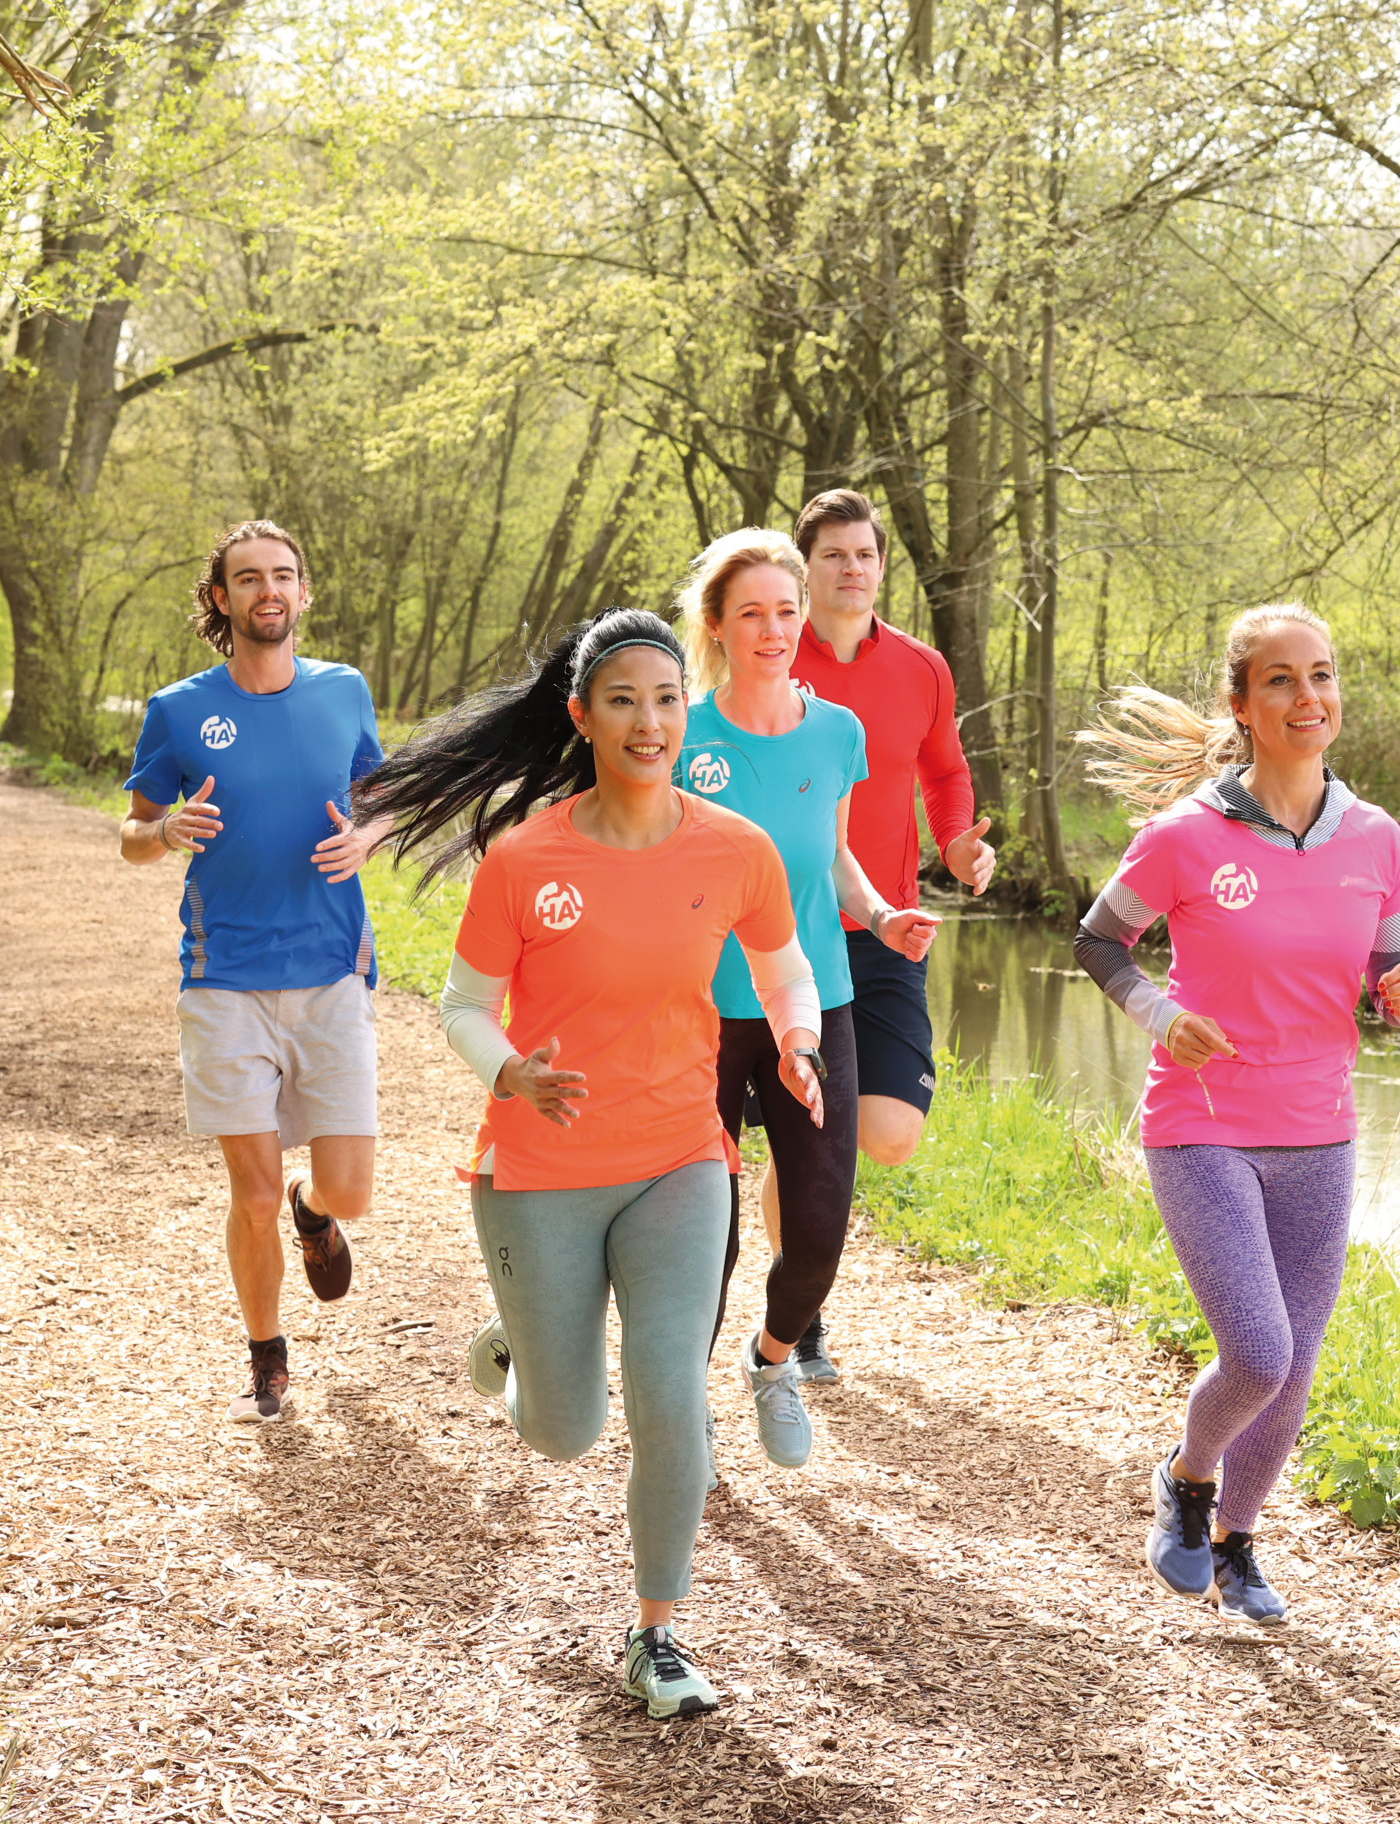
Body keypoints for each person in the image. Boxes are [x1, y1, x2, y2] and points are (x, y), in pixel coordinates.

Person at [355, 609, 826, 1720]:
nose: (648, 720)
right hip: (540, 1170)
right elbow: (462, 1004)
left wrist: (797, 1035)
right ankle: (519, 1343)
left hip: (677, 1159)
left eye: (665, 699)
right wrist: (510, 1070)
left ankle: (657, 1633)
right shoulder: (527, 859)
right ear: (581, 716)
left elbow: (784, 961)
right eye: (622, 699)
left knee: (671, 1395)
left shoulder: (734, 847)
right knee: (563, 1429)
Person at [1073, 604, 1400, 1624]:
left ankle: (1236, 1544)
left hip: (1318, 1131)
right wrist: (1160, 1014)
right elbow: (1099, 943)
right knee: (1259, 1352)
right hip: (1203, 1122)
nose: (1306, 697)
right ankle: (1186, 1481)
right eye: (1279, 680)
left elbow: (1390, 966)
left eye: (1319, 676)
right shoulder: (1185, 837)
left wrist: (1398, 992)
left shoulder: (1375, 838)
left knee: (1294, 1373)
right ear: (1240, 703)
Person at [675, 528, 939, 1468]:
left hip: (814, 998)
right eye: (752, 612)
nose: (774, 628)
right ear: (717, 625)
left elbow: (832, 856)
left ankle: (772, 1359)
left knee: (821, 1230)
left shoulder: (838, 732)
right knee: (702, 1229)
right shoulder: (681, 733)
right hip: (701, 1010)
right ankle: (683, 1401)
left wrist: (880, 914)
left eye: (786, 611)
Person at [117, 521, 386, 1424]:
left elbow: (382, 796)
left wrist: (368, 835)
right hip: (223, 973)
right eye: (248, 578)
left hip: (331, 967)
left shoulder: (345, 691)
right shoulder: (179, 709)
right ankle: (267, 1355)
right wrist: (162, 833)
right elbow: (132, 833)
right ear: (221, 599)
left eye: (283, 576)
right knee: (253, 1190)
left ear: (303, 593)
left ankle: (320, 1215)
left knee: (350, 1186)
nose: (268, 590)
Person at [783, 489, 994, 1381]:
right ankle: (803, 1306)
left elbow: (944, 771)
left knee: (891, 1132)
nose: (854, 569)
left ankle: (794, 1276)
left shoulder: (922, 668)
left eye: (866, 554)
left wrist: (956, 841)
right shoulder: (766, 655)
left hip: (886, 922)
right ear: (807, 568)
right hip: (781, 927)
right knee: (809, 1127)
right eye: (834, 555)